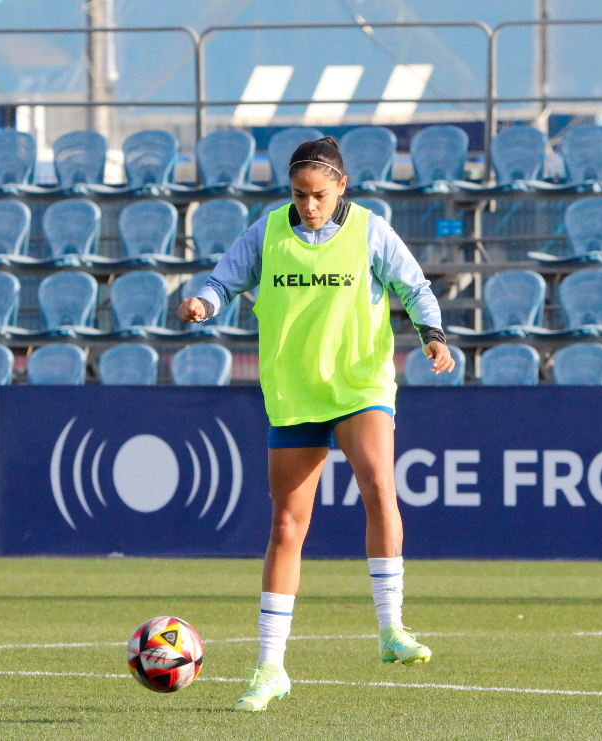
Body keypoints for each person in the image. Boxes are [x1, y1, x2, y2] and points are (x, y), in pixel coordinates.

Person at [179, 136, 455, 712]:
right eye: (301, 194)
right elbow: (224, 278)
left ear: (342, 187)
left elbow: (414, 284)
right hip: (294, 390)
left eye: (320, 195)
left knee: (380, 485)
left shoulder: (371, 230)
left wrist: (433, 336)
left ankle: (391, 629)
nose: (309, 205)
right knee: (286, 526)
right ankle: (270, 667)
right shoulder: (267, 231)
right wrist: (203, 303)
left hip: (359, 384)